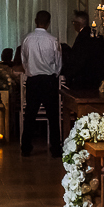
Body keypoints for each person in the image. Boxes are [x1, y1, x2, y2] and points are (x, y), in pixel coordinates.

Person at [20, 10, 63, 158]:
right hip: (49, 81)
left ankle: (26, 147)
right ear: (49, 22)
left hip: (33, 80)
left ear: (35, 20)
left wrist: (30, 72)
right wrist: (54, 75)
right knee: (53, 116)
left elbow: (24, 60)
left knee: (30, 115)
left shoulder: (27, 39)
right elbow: (58, 62)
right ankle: (56, 148)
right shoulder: (53, 40)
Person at [62, 10, 104, 90]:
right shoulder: (97, 36)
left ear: (78, 23)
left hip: (83, 79)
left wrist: (69, 74)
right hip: (97, 77)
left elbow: (78, 59)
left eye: (74, 23)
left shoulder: (82, 38)